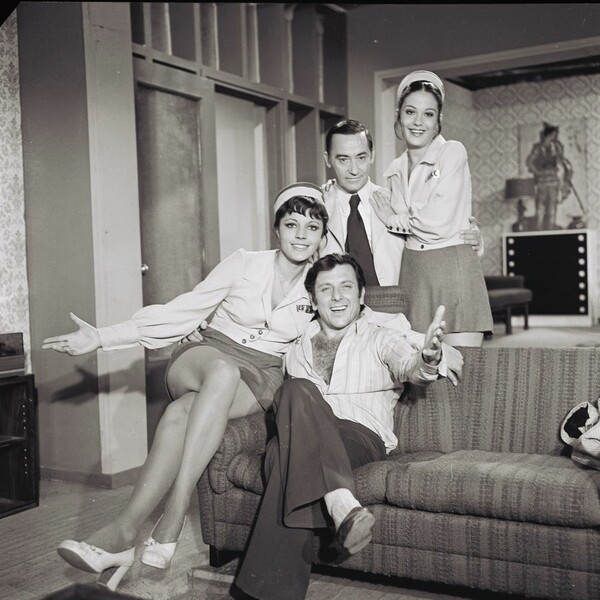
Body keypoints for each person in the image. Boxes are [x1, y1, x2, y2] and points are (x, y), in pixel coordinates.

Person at [42, 182, 330, 590]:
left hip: (262, 372)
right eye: (292, 224)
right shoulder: (245, 263)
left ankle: (123, 533)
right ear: (276, 228)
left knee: (180, 414)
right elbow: (185, 309)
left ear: (322, 236)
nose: (301, 235)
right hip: (207, 354)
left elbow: (345, 323)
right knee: (222, 372)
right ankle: (176, 511)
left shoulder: (320, 284)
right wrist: (104, 336)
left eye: (312, 227)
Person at [234, 253, 451, 600]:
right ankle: (339, 502)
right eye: (326, 289)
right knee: (287, 418)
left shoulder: (380, 338)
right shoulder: (295, 348)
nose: (337, 297)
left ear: (361, 294)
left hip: (358, 437)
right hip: (302, 437)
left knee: (282, 452)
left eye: (346, 287)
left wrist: (427, 359)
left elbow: (411, 367)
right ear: (312, 300)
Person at [370, 71, 493, 347]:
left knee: (462, 364)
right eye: (410, 112)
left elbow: (438, 221)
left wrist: (392, 219)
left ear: (438, 120)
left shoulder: (452, 152)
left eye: (428, 114)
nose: (418, 122)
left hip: (452, 269)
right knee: (420, 366)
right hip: (413, 273)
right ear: (399, 116)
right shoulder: (394, 170)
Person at [321, 119, 482, 286]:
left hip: (395, 299)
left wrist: (470, 238)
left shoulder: (396, 200)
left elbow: (436, 227)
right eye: (343, 160)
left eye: (361, 157)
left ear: (372, 155)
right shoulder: (318, 205)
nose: (354, 170)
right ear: (328, 159)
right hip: (337, 300)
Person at [525, 121, 573, 231]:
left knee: (552, 205)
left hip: (554, 179)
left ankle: (550, 227)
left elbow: (561, 160)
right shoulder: (538, 148)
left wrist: (567, 172)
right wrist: (538, 172)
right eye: (553, 134)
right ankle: (539, 228)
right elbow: (530, 162)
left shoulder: (557, 147)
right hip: (542, 180)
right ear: (548, 134)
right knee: (541, 205)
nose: (554, 137)